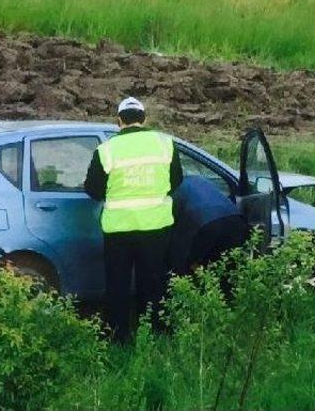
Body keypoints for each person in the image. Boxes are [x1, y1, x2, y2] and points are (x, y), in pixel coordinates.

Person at [84, 97, 182, 343]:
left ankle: (119, 338)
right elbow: (177, 180)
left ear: (119, 121)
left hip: (119, 229)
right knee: (154, 284)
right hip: (155, 227)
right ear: (144, 119)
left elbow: (93, 189)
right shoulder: (165, 144)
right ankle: (155, 334)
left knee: (117, 285)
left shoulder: (106, 150)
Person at [170, 175, 248, 276]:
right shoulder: (199, 179)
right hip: (235, 219)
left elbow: (169, 221)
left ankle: (198, 284)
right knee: (230, 268)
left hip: (204, 224)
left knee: (183, 264)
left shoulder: (174, 188)